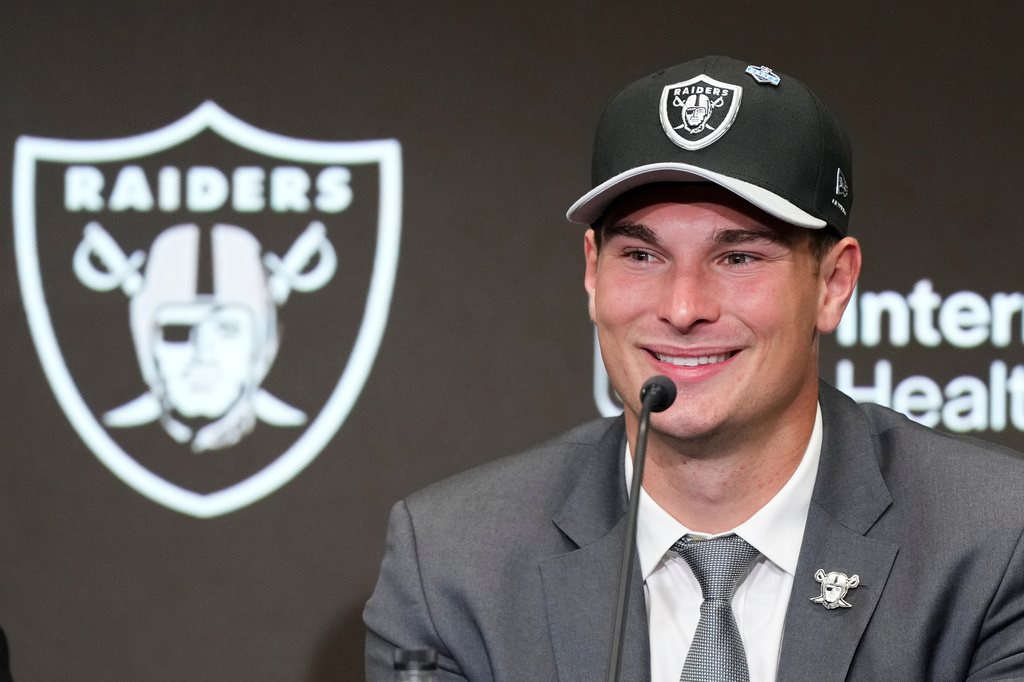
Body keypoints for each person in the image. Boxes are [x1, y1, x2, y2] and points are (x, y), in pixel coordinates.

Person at [364, 55, 1024, 681]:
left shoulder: (994, 542)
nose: (683, 308)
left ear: (833, 283)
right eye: (642, 256)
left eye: (739, 258)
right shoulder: (453, 564)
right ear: (592, 271)